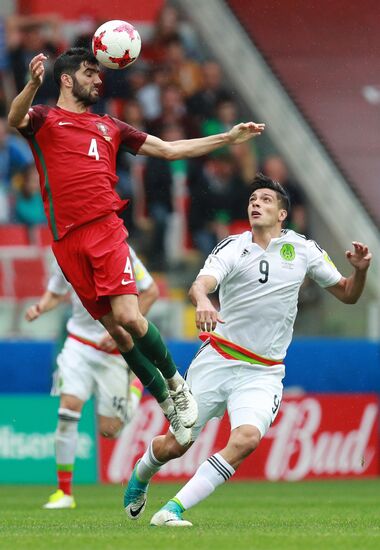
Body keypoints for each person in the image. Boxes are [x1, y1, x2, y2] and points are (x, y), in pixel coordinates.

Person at [7, 47, 265, 443]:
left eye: (99, 73)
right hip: (67, 243)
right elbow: (15, 118)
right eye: (90, 73)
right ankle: (168, 404)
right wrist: (30, 84)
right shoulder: (45, 119)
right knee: (119, 333)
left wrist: (227, 138)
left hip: (105, 230)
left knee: (129, 317)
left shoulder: (110, 126)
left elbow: (168, 149)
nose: (99, 79)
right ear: (66, 79)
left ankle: (178, 384)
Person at [123, 173, 372, 527]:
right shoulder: (233, 247)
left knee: (247, 439)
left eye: (266, 200)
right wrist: (204, 301)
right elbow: (200, 284)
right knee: (176, 444)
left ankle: (172, 510)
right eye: (253, 199)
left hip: (264, 371)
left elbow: (348, 294)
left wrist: (360, 272)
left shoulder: (304, 250)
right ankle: (142, 474)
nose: (256, 203)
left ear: (283, 214)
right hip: (218, 359)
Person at [25, 246, 156, 509]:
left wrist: (122, 328)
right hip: (79, 345)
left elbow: (151, 291)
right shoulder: (67, 253)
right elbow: (55, 292)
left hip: (113, 351)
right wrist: (40, 307)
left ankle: (134, 385)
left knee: (110, 430)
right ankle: (64, 492)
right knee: (67, 412)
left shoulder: (122, 251)